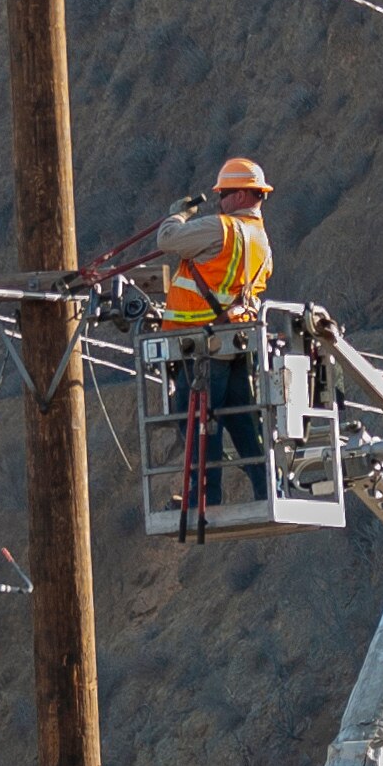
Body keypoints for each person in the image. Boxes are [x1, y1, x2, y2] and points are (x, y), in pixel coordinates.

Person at [146, 156, 277, 507]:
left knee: (197, 419)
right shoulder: (261, 242)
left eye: (223, 195)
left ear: (237, 196)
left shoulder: (222, 228)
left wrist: (178, 214)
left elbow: (168, 239)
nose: (219, 202)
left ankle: (202, 497)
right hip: (234, 346)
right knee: (242, 421)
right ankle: (269, 489)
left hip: (202, 348)